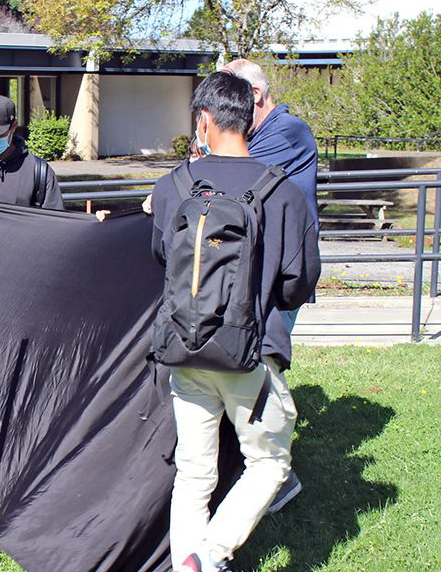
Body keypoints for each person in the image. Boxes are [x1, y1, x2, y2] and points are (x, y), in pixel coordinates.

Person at [149, 72, 320, 572]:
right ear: (251, 115)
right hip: (250, 352)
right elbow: (298, 282)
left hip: (184, 347)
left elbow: (160, 255)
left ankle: (188, 561)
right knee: (267, 463)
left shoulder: (171, 186)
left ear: (203, 120)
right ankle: (208, 554)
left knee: (193, 472)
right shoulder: (281, 192)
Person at [224, 58, 319, 513]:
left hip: (281, 277)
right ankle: (257, 465)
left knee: (263, 369)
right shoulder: (260, 135)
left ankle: (277, 476)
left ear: (254, 97)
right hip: (255, 272)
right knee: (249, 365)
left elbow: (232, 179)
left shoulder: (286, 132)